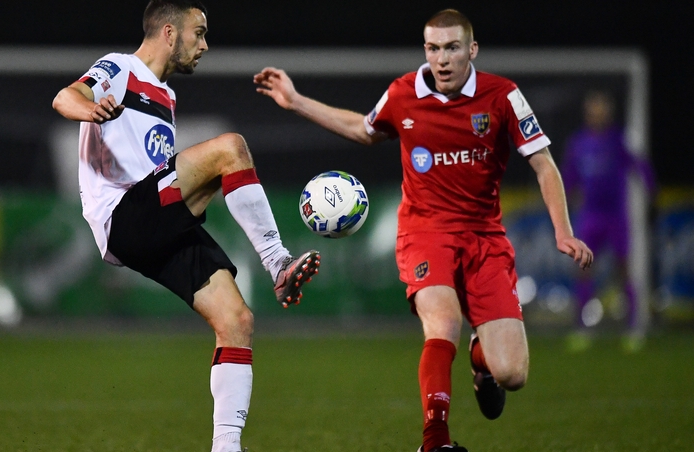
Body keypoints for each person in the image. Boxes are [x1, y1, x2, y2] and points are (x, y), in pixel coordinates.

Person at [254, 9, 593, 452]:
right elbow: (363, 129)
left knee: (513, 374)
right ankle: (435, 440)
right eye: (433, 48)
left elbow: (543, 163)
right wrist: (295, 100)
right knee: (443, 321)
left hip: (485, 238)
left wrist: (562, 230)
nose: (442, 59)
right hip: (424, 232)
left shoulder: (503, 96)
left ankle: (483, 361)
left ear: (472, 50)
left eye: (452, 47)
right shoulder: (403, 94)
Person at [52, 2, 321, 451]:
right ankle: (277, 262)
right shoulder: (121, 67)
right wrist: (91, 110)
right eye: (199, 33)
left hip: (156, 220)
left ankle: (226, 446)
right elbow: (65, 97)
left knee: (237, 321)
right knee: (230, 148)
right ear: (170, 33)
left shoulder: (166, 96)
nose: (205, 45)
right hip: (125, 213)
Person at [561, 89, 656, 353]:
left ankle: (634, 328)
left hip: (616, 216)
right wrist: (564, 203)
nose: (597, 114)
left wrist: (651, 196)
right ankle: (581, 328)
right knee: (582, 268)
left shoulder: (619, 140)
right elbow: (568, 178)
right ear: (587, 113)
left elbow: (641, 166)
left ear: (608, 113)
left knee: (623, 268)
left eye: (601, 109)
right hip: (590, 216)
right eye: (593, 109)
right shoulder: (578, 143)